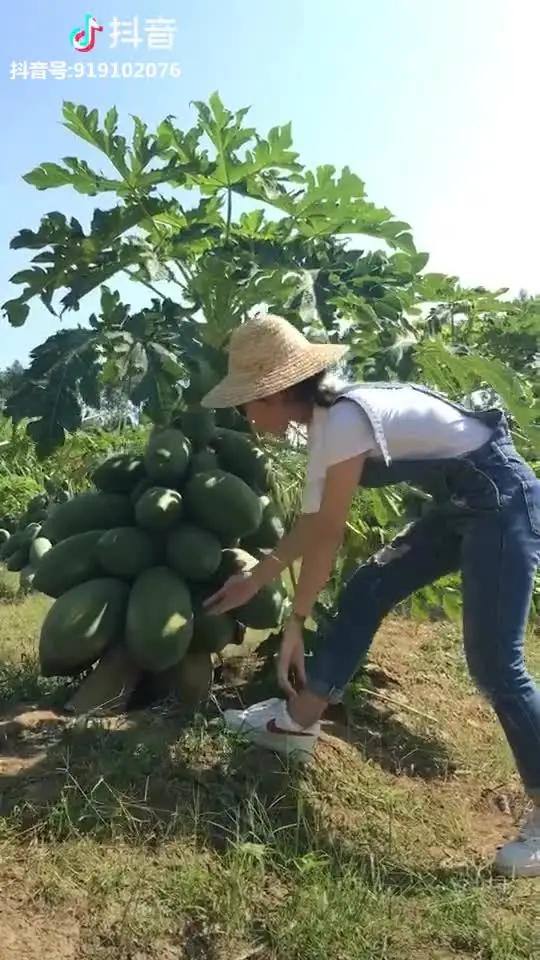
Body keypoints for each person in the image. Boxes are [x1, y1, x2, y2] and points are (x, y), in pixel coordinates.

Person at [201, 313, 540, 878]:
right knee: (370, 586)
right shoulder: (325, 428)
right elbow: (310, 526)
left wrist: (294, 622)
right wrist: (255, 579)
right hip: (459, 506)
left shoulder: (343, 422)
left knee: (495, 665)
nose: (244, 415)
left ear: (278, 393)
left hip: (499, 501)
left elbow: (328, 534)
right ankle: (296, 725)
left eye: (247, 402)